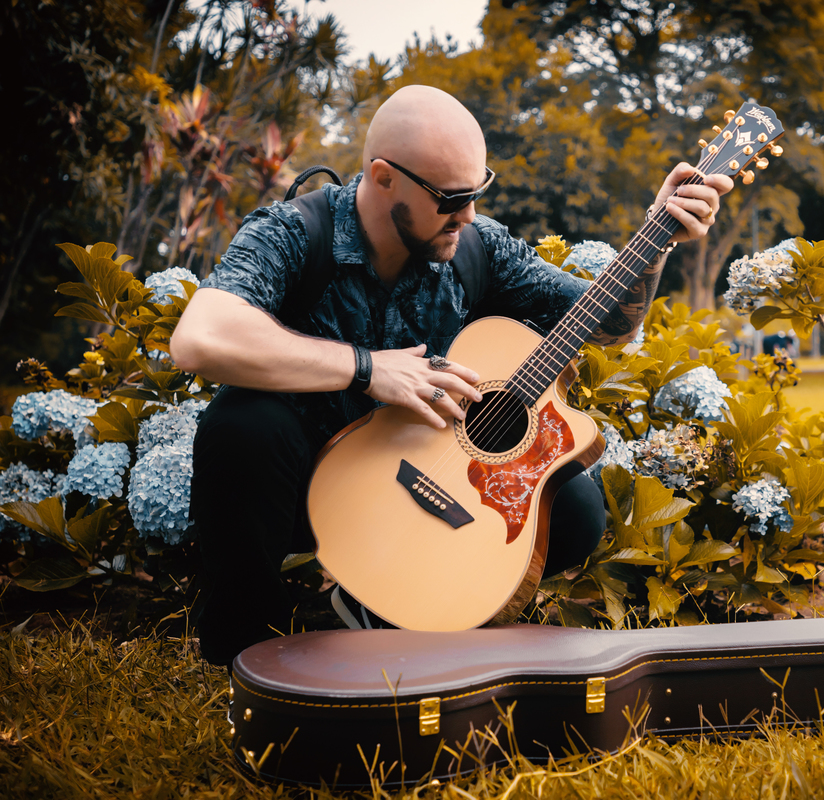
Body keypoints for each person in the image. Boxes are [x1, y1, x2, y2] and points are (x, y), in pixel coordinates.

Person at [171, 85, 733, 666]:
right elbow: (199, 339)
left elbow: (607, 322)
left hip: (416, 477)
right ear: (384, 177)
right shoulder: (293, 232)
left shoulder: (474, 244)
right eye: (451, 198)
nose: (467, 214)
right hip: (298, 486)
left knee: (574, 509)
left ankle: (405, 604)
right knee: (243, 425)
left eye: (477, 192)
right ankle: (250, 646)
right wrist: (368, 369)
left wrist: (656, 237)